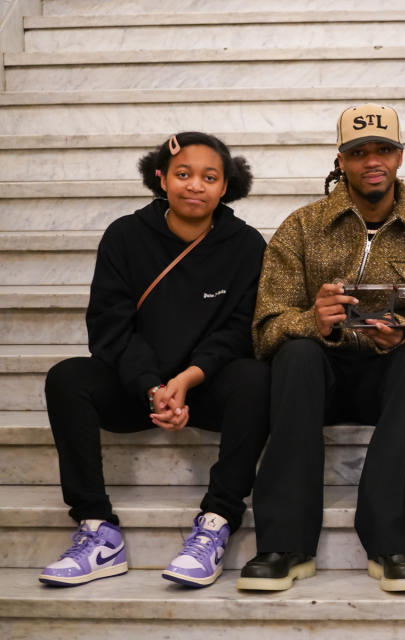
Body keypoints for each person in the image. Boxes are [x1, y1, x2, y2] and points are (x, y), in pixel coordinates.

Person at [239, 103, 405, 593]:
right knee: (296, 353)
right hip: (316, 378)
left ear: (400, 157)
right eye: (359, 151)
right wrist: (313, 321)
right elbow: (265, 330)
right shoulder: (302, 226)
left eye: (383, 150)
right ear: (340, 160)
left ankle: (395, 546)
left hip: (388, 378)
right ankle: (283, 546)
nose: (373, 161)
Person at [39, 132, 270, 588]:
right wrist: (150, 385)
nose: (195, 186)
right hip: (135, 390)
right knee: (67, 378)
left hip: (204, 389)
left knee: (258, 376)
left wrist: (187, 378)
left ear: (226, 186)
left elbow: (239, 331)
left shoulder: (246, 245)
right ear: (161, 178)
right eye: (182, 174)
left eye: (209, 177)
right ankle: (97, 530)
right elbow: (110, 328)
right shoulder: (125, 236)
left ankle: (217, 520)